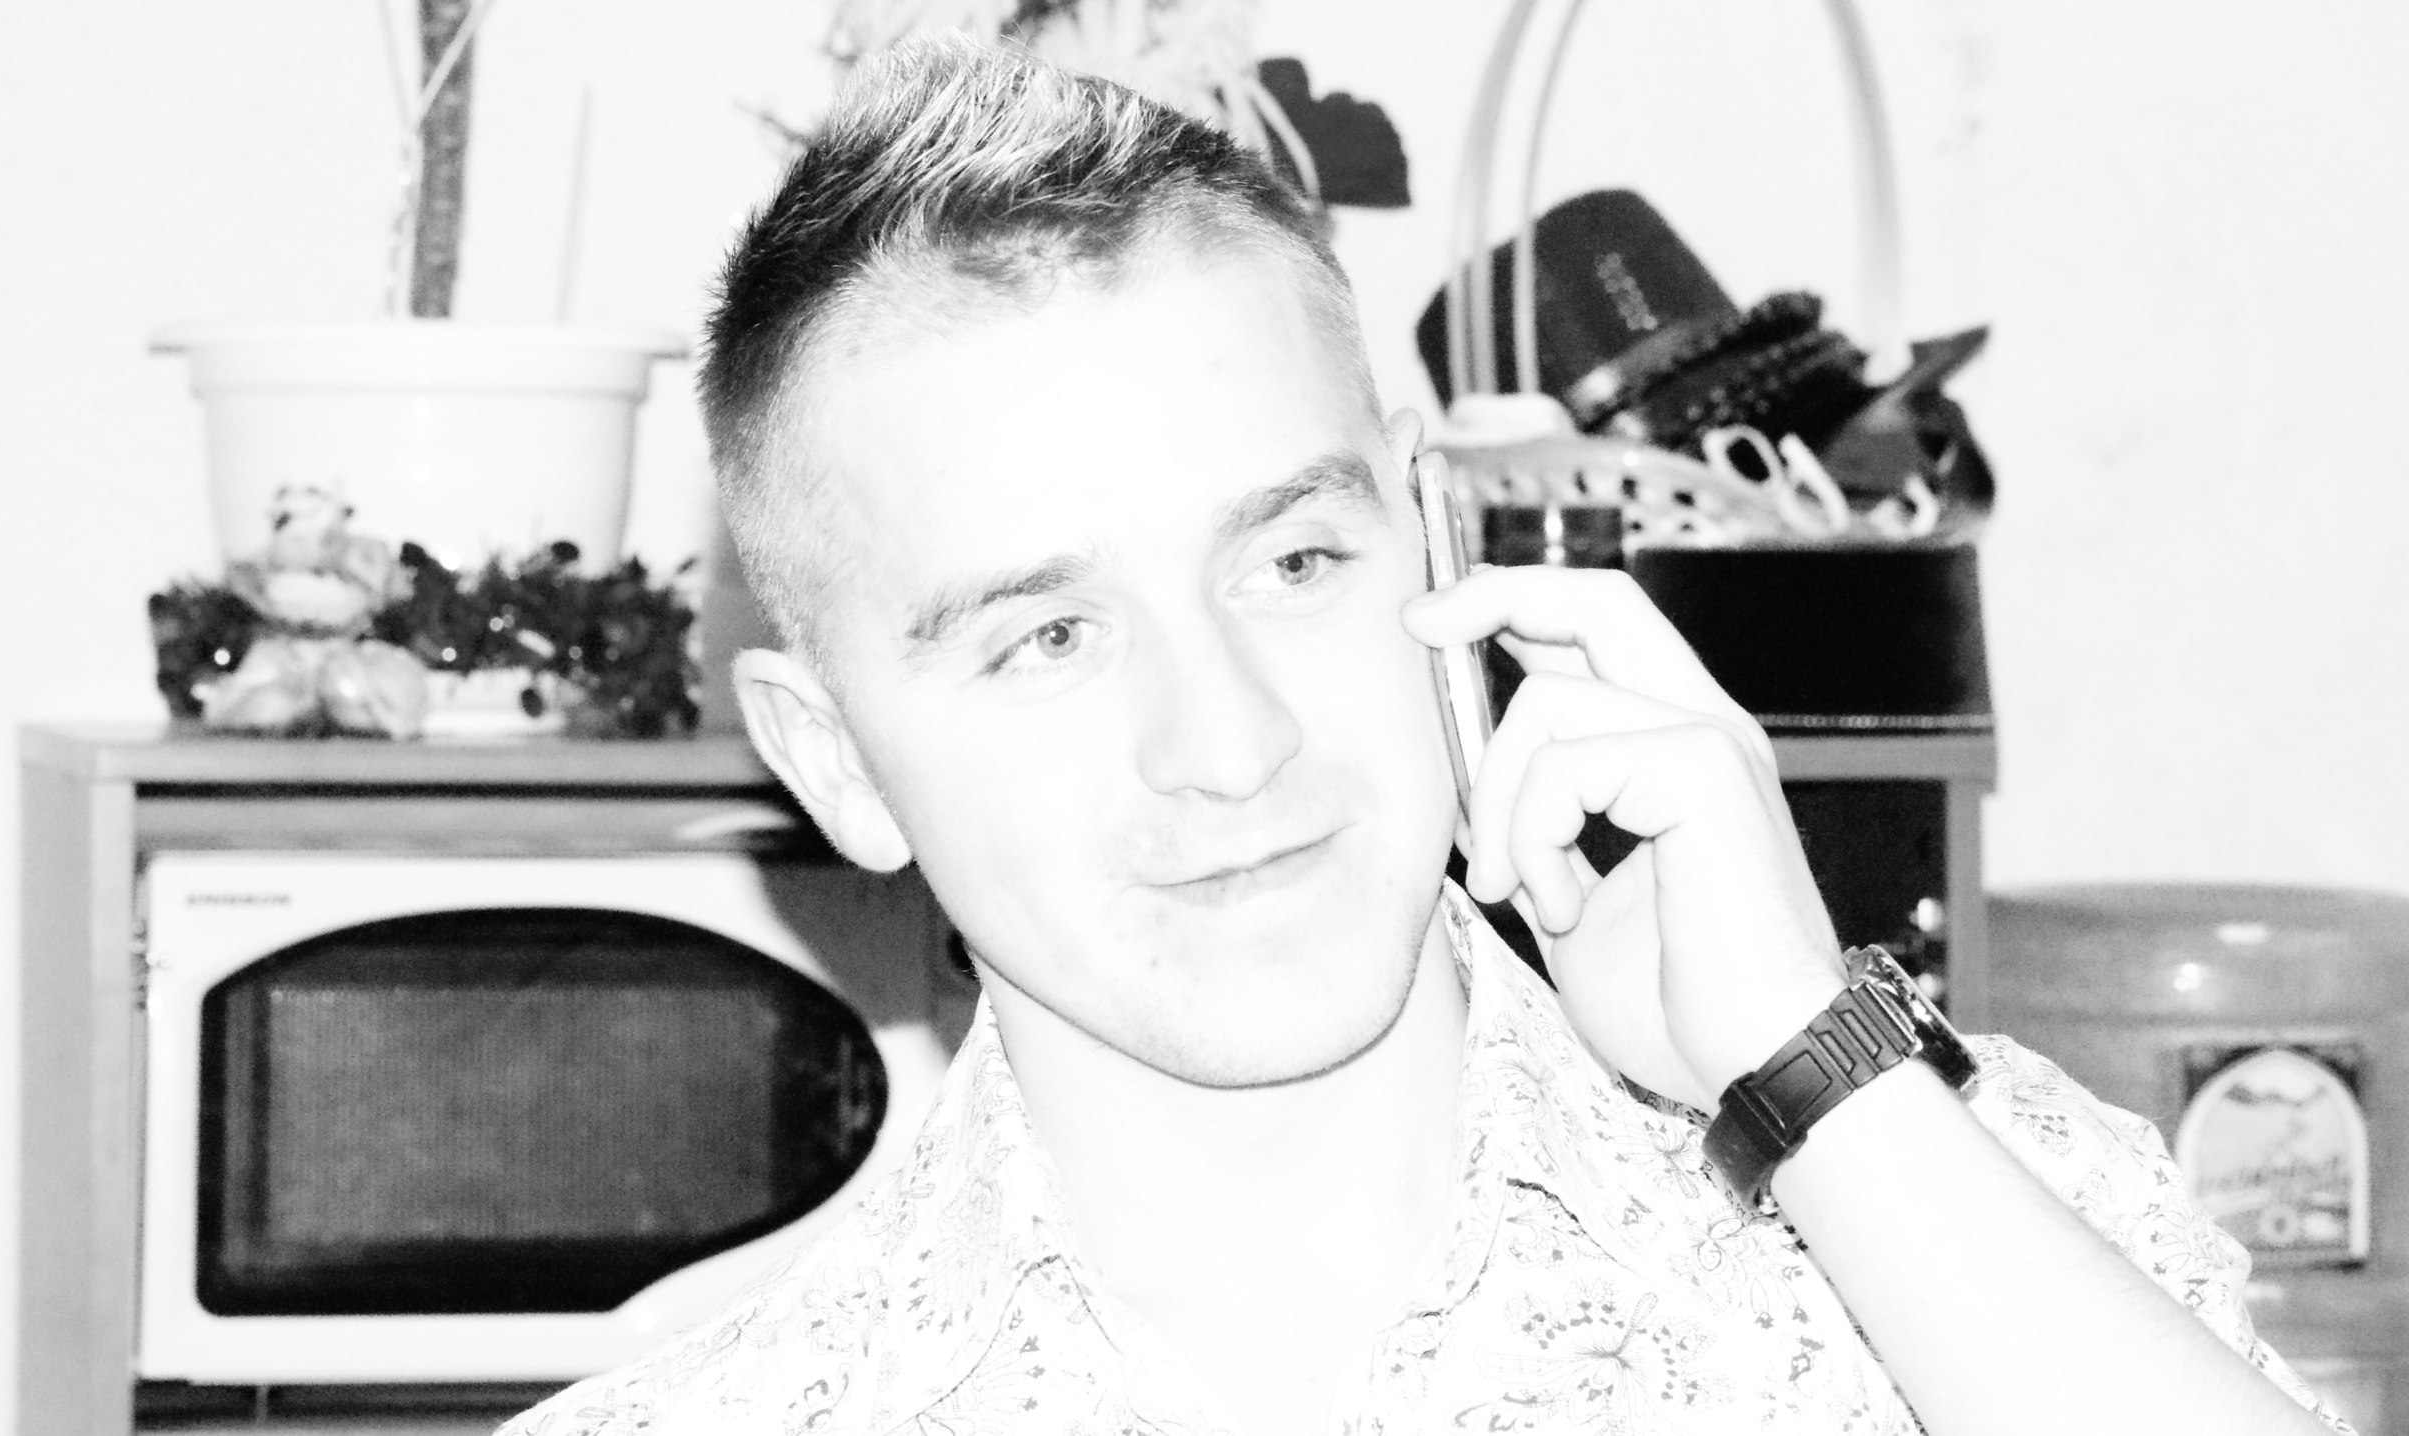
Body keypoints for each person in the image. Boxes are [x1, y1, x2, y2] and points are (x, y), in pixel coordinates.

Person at [504, 33, 2346, 1436]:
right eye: (1048, 637)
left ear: (1435, 535)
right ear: (835, 762)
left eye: (1295, 560)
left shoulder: (1969, 1200)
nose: (1229, 742)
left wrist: (1816, 1079)